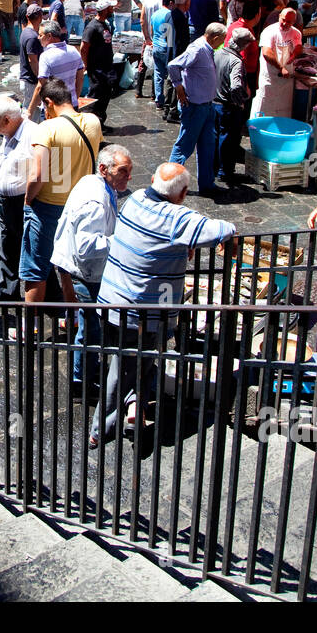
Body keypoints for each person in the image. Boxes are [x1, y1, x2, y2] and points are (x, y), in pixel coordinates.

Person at [90, 162, 236, 447]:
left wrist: (182, 245)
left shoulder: (136, 201)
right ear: (182, 193)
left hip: (111, 300)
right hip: (137, 312)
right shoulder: (177, 218)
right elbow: (223, 228)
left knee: (138, 364)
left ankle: (135, 409)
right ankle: (100, 428)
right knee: (124, 370)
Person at [51, 144, 133, 396]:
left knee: (91, 328)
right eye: (122, 171)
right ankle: (81, 382)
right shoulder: (95, 201)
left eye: (130, 171)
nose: (128, 177)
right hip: (84, 274)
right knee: (90, 331)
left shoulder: (97, 183)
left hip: (81, 269)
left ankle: (86, 372)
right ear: (104, 169)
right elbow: (87, 246)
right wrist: (121, 241)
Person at [21, 78, 103, 306]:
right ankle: (74, 313)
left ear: (49, 102)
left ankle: (31, 327)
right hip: (81, 204)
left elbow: (38, 175)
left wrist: (28, 201)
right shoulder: (93, 122)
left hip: (49, 206)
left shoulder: (47, 128)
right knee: (68, 264)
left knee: (35, 268)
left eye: (43, 108)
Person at [0, 96, 37, 302]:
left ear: (7, 119)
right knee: (6, 247)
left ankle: (48, 298)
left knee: (29, 249)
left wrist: (29, 201)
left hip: (22, 202)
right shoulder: (8, 130)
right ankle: (7, 295)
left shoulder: (33, 135)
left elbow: (43, 174)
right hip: (4, 202)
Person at [168, 23, 227, 196]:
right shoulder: (198, 49)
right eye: (221, 41)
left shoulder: (206, 49)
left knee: (207, 146)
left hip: (207, 106)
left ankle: (207, 184)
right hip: (195, 107)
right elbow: (173, 65)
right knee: (184, 146)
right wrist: (178, 87)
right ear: (214, 38)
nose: (221, 44)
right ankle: (168, 185)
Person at [215, 26, 252, 180]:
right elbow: (236, 85)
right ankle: (225, 172)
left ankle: (215, 168)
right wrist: (241, 101)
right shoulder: (236, 61)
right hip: (228, 106)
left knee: (217, 137)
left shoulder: (217, 53)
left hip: (214, 103)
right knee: (229, 140)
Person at [252, 7, 302, 119]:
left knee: (283, 109)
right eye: (283, 20)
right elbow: (266, 52)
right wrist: (280, 68)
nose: (284, 23)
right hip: (269, 77)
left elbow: (298, 46)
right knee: (264, 107)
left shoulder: (296, 32)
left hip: (286, 79)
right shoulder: (269, 31)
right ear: (279, 17)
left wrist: (294, 55)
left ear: (293, 22)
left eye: (288, 22)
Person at [29, 21, 83, 117]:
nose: (38, 38)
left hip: (54, 109)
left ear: (49, 36)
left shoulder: (46, 56)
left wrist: (29, 111)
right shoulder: (74, 50)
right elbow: (80, 79)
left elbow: (40, 86)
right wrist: (75, 98)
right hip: (72, 105)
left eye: (40, 35)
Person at [80, 0, 115, 126]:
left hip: (107, 67)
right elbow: (84, 48)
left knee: (105, 94)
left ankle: (100, 122)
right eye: (110, 7)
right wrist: (86, 65)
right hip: (97, 68)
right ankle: (91, 124)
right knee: (96, 95)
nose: (112, 9)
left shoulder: (105, 24)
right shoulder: (92, 27)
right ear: (105, 9)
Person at [18, 5, 46, 118]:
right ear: (40, 17)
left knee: (30, 110)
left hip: (27, 80)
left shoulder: (25, 32)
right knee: (31, 113)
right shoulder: (32, 37)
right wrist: (41, 78)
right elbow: (32, 61)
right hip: (31, 81)